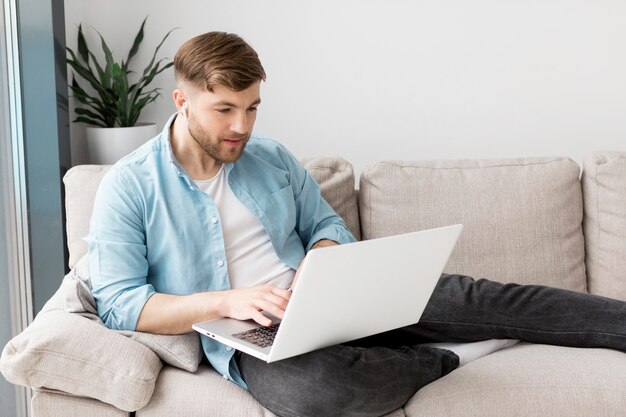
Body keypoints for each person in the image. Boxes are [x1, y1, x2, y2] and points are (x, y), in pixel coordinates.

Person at [88, 32, 626, 417]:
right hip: (250, 335)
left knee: (487, 298)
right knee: (319, 392)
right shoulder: (130, 186)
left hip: (332, 297)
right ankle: (441, 358)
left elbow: (327, 225)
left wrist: (320, 260)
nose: (242, 126)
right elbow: (121, 303)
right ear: (182, 101)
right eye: (225, 110)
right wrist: (226, 302)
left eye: (252, 108)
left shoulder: (271, 156)